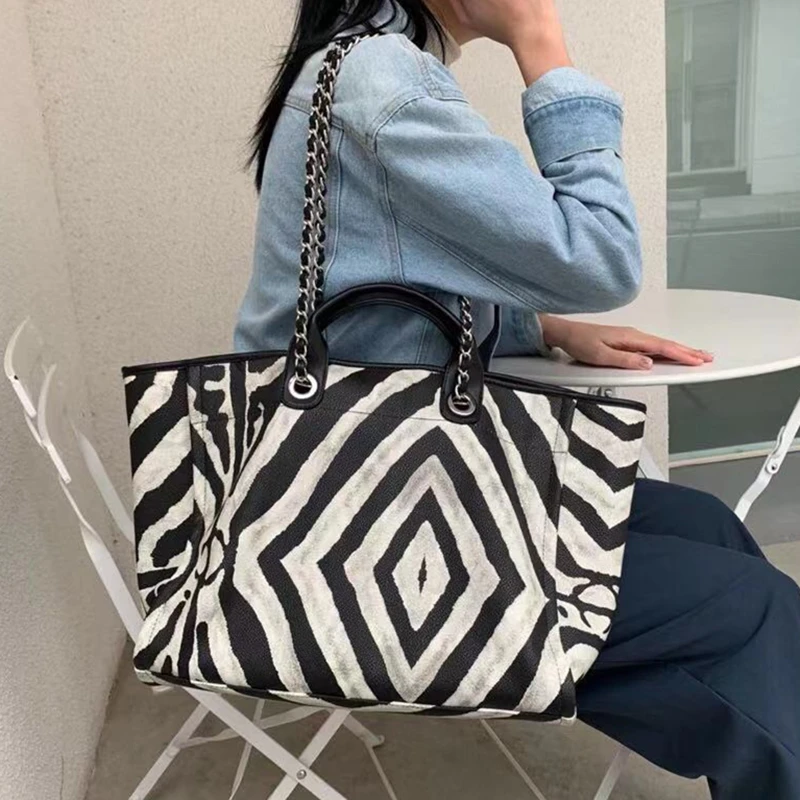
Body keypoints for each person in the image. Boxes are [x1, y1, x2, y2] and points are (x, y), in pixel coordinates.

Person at [233, 1, 800, 797]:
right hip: (356, 544)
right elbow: (600, 257)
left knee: (705, 525)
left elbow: (393, 296)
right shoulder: (382, 80)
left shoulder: (359, 68)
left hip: (362, 490)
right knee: (753, 610)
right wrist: (540, 38)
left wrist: (548, 329)